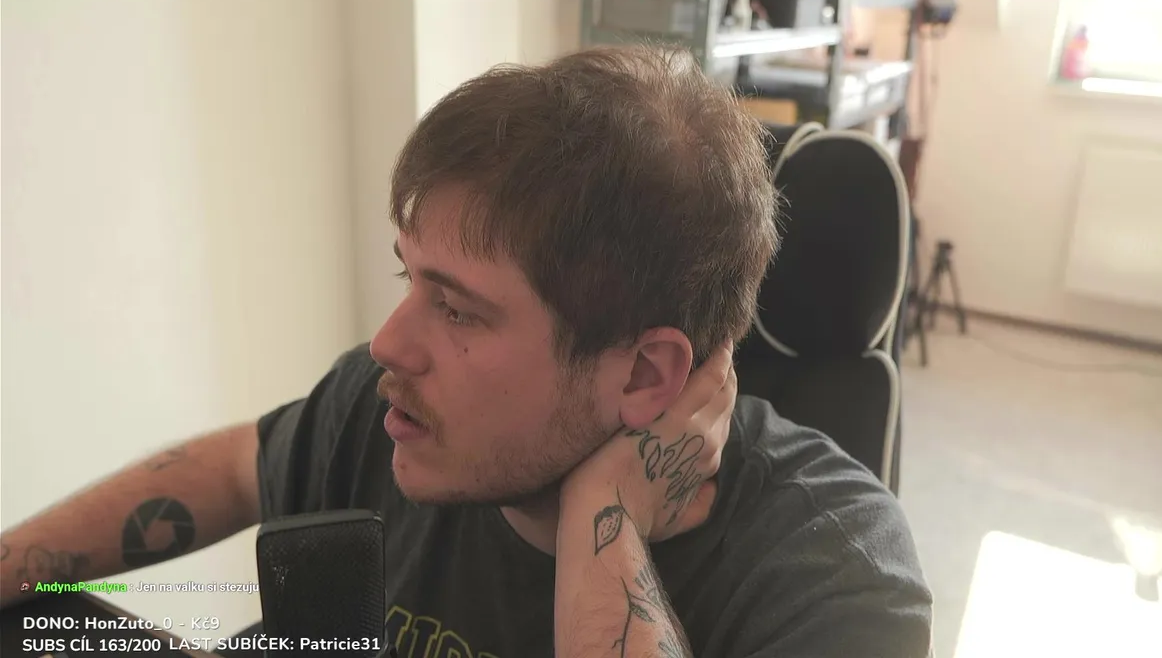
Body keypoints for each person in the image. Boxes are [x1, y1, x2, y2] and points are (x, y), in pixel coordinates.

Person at [0, 45, 932, 657]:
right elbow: (238, 468)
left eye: (458, 310)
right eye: (408, 276)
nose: (388, 343)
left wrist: (605, 514)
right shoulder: (391, 406)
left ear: (647, 374)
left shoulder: (834, 576)